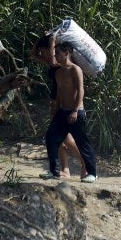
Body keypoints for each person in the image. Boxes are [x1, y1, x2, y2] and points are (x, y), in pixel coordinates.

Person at [31, 33, 87, 179]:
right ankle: (65, 170)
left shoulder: (62, 63)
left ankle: (84, 163)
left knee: (66, 138)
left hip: (65, 104)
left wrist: (52, 41)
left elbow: (51, 57)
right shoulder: (54, 63)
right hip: (56, 102)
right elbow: (33, 54)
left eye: (46, 50)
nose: (43, 54)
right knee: (59, 139)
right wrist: (42, 40)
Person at [41, 42, 97, 182]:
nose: (55, 57)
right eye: (55, 54)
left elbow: (80, 90)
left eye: (58, 54)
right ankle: (54, 171)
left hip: (76, 111)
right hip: (62, 111)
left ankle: (92, 173)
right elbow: (59, 94)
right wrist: (56, 113)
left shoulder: (75, 69)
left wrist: (76, 110)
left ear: (66, 53)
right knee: (51, 138)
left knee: (82, 142)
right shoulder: (59, 72)